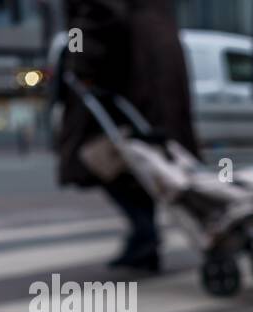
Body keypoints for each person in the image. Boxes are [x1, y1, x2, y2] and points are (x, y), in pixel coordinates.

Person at [55, 0, 198, 273]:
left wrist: (77, 61)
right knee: (145, 155)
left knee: (99, 156)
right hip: (155, 56)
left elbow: (91, 17)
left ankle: (145, 233)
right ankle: (144, 236)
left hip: (128, 67)